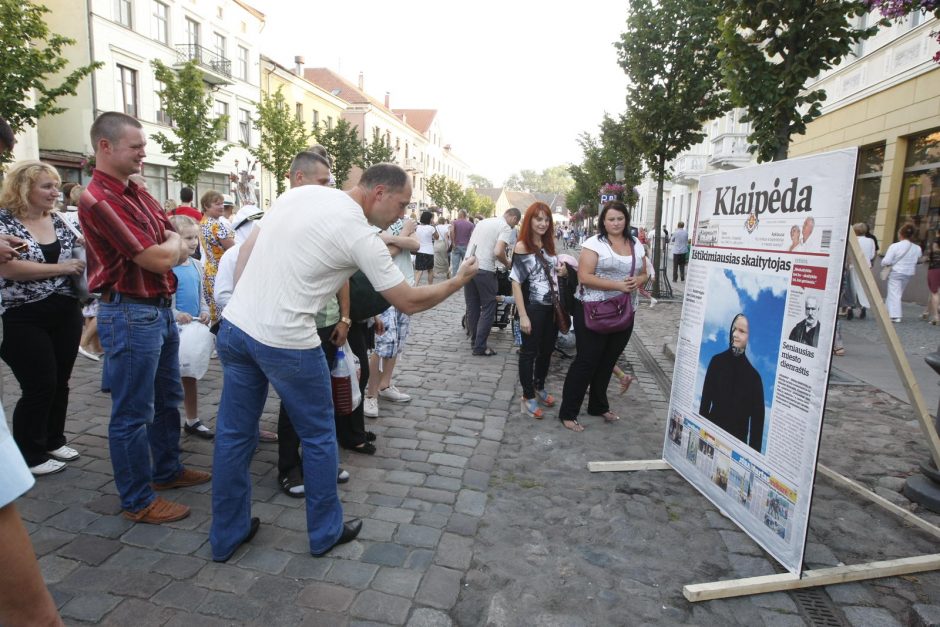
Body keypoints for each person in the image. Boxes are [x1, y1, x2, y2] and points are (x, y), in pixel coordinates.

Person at [210, 163, 478, 561]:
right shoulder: (359, 233)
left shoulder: (299, 193)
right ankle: (325, 531)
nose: (402, 214)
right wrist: (458, 281)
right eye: (401, 204)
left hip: (237, 326)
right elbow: (408, 300)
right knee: (319, 436)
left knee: (234, 435)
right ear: (379, 193)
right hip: (287, 341)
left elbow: (247, 251)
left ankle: (225, 536)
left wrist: (249, 301)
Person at [78, 111, 210, 525]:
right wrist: (171, 245)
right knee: (133, 412)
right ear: (106, 146)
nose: (143, 153)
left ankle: (166, 471)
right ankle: (137, 500)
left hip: (157, 310)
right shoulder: (100, 199)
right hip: (131, 311)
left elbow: (170, 233)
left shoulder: (134, 191)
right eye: (136, 146)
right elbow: (156, 255)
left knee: (168, 399)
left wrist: (170, 242)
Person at [0, 161, 85, 476]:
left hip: (64, 309)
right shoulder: (4, 222)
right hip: (21, 315)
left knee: (60, 381)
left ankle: (53, 439)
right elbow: (9, 268)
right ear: (25, 188)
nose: (54, 192)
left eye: (55, 185)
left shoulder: (60, 219)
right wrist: (61, 269)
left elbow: (77, 253)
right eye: (46, 186)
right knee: (39, 383)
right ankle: (29, 453)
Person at [558, 201, 649, 432]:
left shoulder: (636, 243)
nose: (616, 223)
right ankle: (568, 412)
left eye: (620, 218)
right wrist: (617, 285)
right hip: (593, 309)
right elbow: (584, 277)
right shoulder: (594, 244)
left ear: (626, 220)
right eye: (611, 219)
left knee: (608, 360)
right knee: (587, 361)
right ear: (603, 222)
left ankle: (598, 406)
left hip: (625, 309)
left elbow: (646, 273)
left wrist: (638, 281)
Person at [510, 202, 566, 418]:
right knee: (529, 353)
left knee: (547, 351)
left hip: (552, 308)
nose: (543, 223)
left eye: (546, 219)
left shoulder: (548, 244)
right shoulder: (522, 246)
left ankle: (539, 386)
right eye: (538, 219)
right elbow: (516, 282)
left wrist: (562, 272)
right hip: (533, 308)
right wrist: (523, 315)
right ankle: (527, 396)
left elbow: (552, 272)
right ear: (530, 221)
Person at [363, 214, 420, 423]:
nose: (402, 207)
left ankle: (385, 384)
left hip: (406, 286)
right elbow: (389, 253)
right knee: (382, 344)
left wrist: (394, 238)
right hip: (384, 289)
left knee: (397, 343)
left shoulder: (403, 220)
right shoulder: (374, 221)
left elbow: (415, 244)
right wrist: (403, 234)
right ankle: (371, 395)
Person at [168, 215, 214, 440]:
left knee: (189, 376)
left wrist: (205, 311)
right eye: (188, 238)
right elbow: (166, 302)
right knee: (170, 377)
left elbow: (201, 296)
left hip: (193, 329)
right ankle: (165, 421)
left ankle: (192, 419)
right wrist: (177, 314)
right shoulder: (167, 267)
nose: (194, 242)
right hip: (173, 330)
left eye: (195, 237)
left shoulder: (196, 265)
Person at [699, 313, 765, 452]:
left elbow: (756, 432)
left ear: (750, 337)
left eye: (741, 331)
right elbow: (704, 406)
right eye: (734, 329)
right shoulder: (716, 362)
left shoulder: (754, 378)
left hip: (736, 447)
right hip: (711, 440)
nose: (735, 334)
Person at [464, 208, 522, 356]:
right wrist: (507, 262)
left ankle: (474, 341)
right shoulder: (505, 227)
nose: (514, 226)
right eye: (515, 223)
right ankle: (480, 346)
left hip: (468, 266)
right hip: (485, 268)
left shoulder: (483, 222)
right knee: (488, 307)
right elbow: (498, 251)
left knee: (472, 307)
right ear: (514, 218)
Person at [198, 190, 234, 322]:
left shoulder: (203, 222)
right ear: (206, 206)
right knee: (224, 312)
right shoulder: (216, 225)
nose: (221, 206)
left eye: (222, 204)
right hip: (221, 270)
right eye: (217, 204)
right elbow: (233, 248)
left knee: (214, 311)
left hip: (209, 269)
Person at [881, 223, 923, 323]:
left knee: (894, 292)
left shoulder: (895, 246)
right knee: (897, 292)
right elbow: (918, 259)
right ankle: (887, 311)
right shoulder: (917, 248)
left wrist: (885, 263)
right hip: (908, 273)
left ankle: (895, 315)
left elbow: (886, 261)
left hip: (896, 271)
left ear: (901, 234)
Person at [413, 210, 437, 285]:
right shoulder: (431, 228)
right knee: (430, 270)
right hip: (429, 251)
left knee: (418, 271)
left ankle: (415, 286)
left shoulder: (416, 227)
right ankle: (430, 286)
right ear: (429, 219)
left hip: (419, 250)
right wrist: (434, 226)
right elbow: (437, 237)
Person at [450, 209, 474, 278]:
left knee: (455, 266)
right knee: (466, 265)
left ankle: (454, 281)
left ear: (459, 214)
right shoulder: (470, 224)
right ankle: (465, 280)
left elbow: (452, 231)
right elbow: (473, 236)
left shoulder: (454, 222)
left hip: (456, 245)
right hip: (466, 246)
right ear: (465, 215)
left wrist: (453, 242)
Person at [923, 230, 940, 325]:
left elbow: (927, 257)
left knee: (934, 292)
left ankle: (936, 317)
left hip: (935, 268)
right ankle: (926, 312)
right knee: (936, 292)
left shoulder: (935, 242)